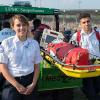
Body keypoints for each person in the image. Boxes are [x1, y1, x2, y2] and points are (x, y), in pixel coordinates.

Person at [0, 14, 43, 100]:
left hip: (30, 81)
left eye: (24, 25)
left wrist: (33, 84)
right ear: (13, 27)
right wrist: (17, 85)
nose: (21, 27)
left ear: (27, 26)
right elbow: (3, 68)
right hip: (12, 82)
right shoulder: (6, 43)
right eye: (18, 25)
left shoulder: (34, 44)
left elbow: (37, 66)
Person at [70, 12, 100, 100]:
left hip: (98, 66)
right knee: (91, 93)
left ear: (91, 21)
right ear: (80, 24)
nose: (86, 24)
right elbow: (71, 51)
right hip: (85, 67)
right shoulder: (76, 36)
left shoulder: (98, 33)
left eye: (88, 21)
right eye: (84, 22)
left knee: (97, 88)